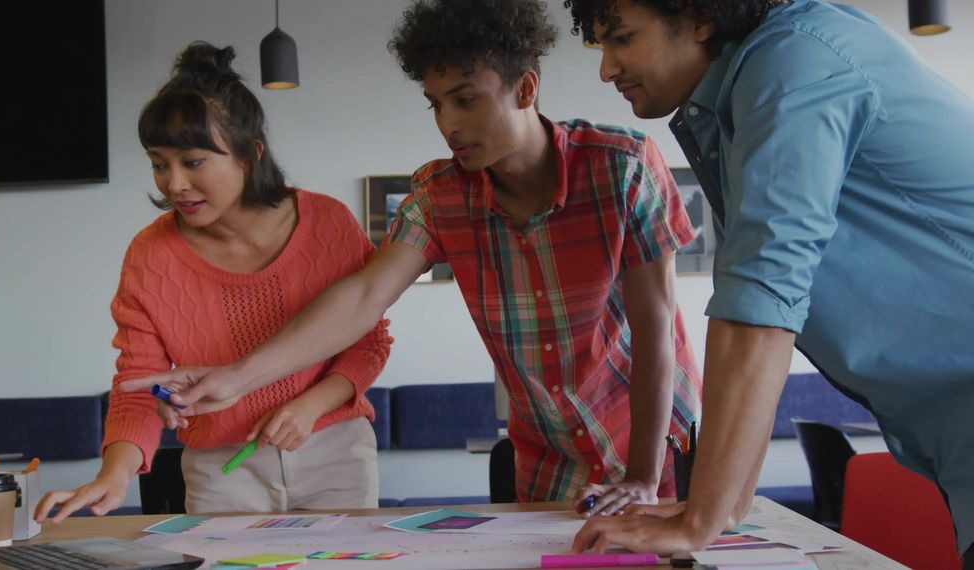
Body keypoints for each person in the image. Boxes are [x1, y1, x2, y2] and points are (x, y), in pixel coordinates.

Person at [126, 0, 701, 513]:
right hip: (547, 458)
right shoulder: (439, 195)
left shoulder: (622, 167)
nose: (448, 123)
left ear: (525, 89)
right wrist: (236, 379)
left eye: (466, 100)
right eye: (435, 103)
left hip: (654, 445)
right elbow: (361, 296)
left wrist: (645, 476)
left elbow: (657, 332)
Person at [562, 0, 974, 561]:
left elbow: (761, 299)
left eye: (623, 38)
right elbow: (755, 310)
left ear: (700, 16)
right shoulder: (744, 93)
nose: (607, 68)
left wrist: (701, 520)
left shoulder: (792, 61)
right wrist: (723, 506)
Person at [34, 41, 392, 523]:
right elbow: (138, 383)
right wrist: (114, 474)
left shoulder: (327, 223)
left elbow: (368, 340)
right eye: (159, 163)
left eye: (193, 161)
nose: (173, 183)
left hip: (333, 449)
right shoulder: (150, 257)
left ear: (250, 154)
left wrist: (310, 405)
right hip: (221, 470)